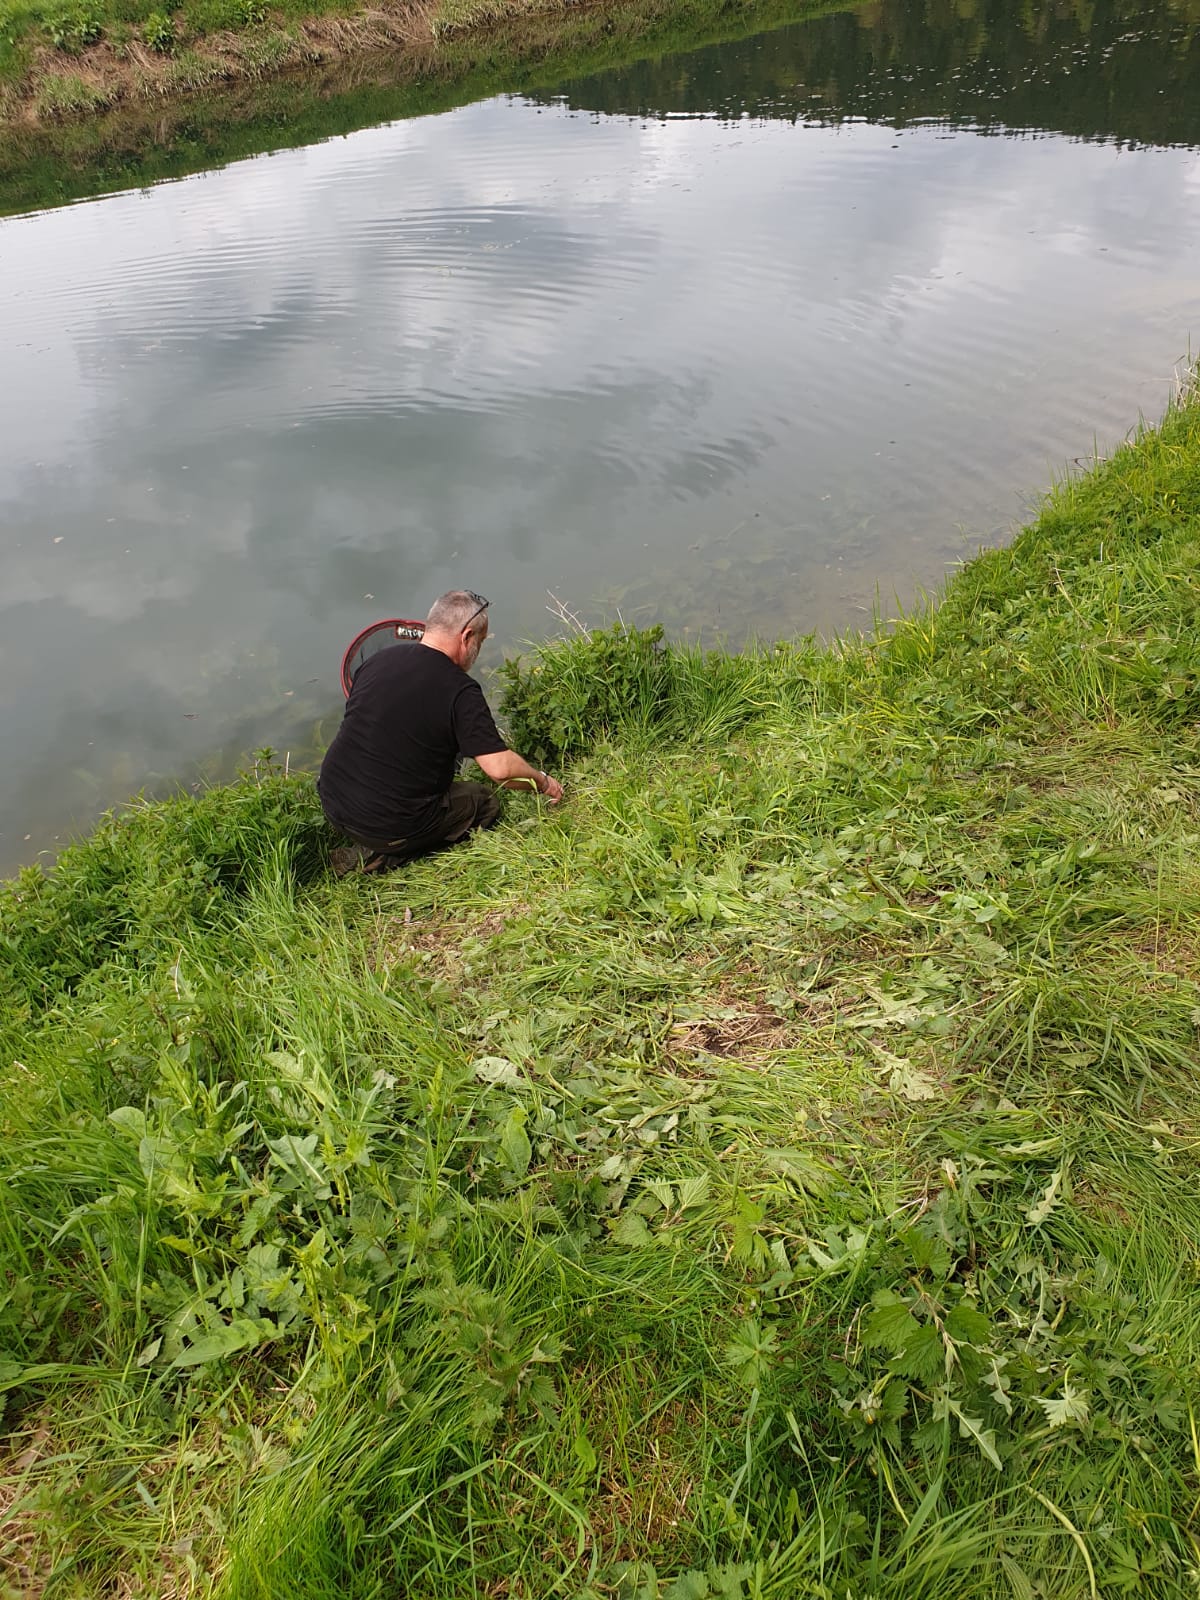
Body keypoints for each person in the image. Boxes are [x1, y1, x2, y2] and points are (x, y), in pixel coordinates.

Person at [318, 589, 563, 873]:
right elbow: (500, 769)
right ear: (467, 636)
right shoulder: (460, 689)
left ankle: (373, 837)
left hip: (333, 801)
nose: (479, 650)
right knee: (483, 802)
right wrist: (543, 782)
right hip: (387, 822)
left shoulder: (377, 660)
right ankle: (384, 855)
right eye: (481, 641)